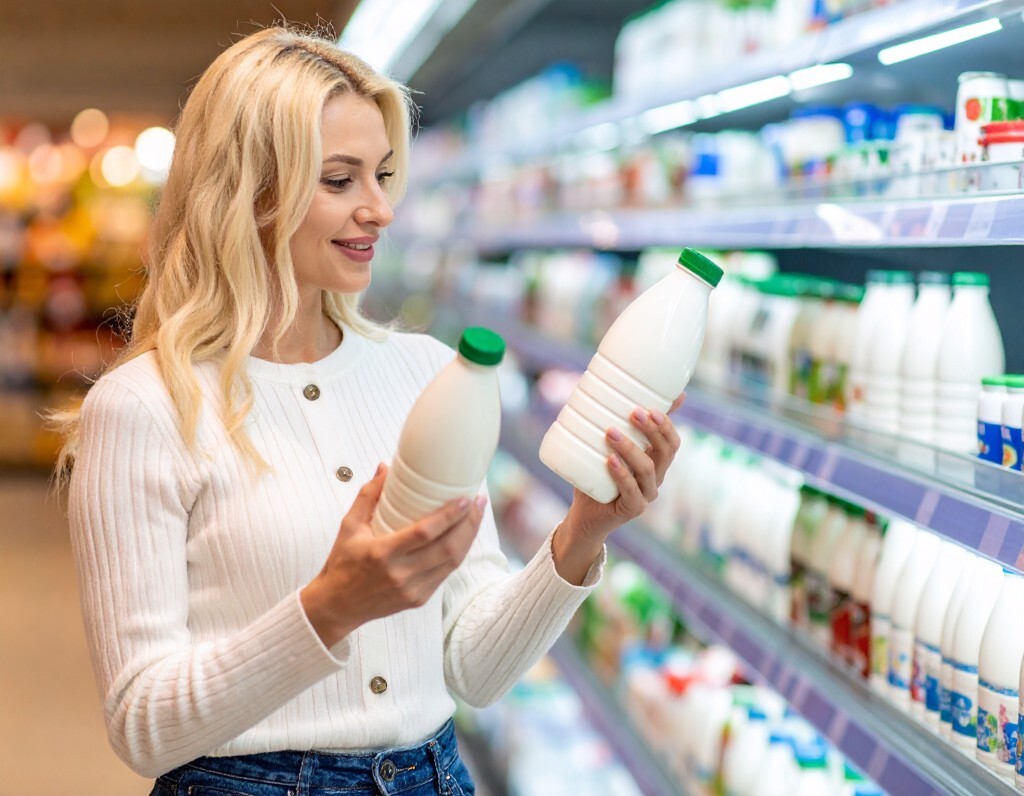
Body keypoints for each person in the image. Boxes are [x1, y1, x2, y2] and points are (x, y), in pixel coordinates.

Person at [55, 24, 684, 796]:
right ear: (248, 191)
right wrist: (328, 609)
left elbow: (474, 668)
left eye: (383, 174)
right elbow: (142, 725)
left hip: (433, 775)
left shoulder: (425, 374)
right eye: (341, 180)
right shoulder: (148, 407)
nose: (381, 210)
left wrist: (586, 527)